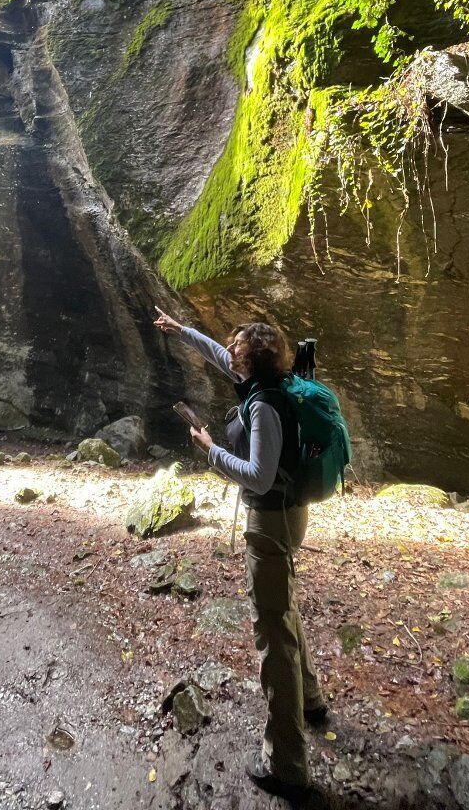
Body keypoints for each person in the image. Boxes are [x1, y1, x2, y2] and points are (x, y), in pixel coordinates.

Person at [154, 305, 327, 806]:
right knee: (283, 610)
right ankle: (311, 701)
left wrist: (210, 449)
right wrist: (180, 329)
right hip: (286, 515)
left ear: (251, 361)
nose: (228, 354)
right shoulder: (270, 383)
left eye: (236, 350)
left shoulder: (264, 406)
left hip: (271, 520)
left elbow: (258, 475)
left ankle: (288, 765)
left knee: (272, 632)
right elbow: (215, 353)